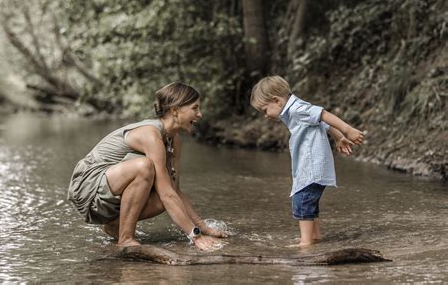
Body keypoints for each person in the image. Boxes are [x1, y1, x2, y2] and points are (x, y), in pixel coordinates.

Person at [68, 82, 228, 251]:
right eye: (195, 108)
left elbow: (174, 192)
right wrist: (195, 236)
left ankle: (115, 225)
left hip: (111, 191)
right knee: (145, 167)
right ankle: (126, 238)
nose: (200, 114)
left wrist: (203, 227)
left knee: (166, 192)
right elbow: (167, 194)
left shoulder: (175, 141)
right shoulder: (150, 135)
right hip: (88, 190)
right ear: (175, 110)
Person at [250, 75, 364, 247]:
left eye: (265, 110)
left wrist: (347, 130)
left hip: (311, 167)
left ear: (276, 100)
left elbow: (323, 114)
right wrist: (338, 138)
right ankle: (315, 237)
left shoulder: (297, 109)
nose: (265, 116)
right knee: (309, 201)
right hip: (311, 166)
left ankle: (306, 242)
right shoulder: (294, 111)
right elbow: (322, 122)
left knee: (301, 201)